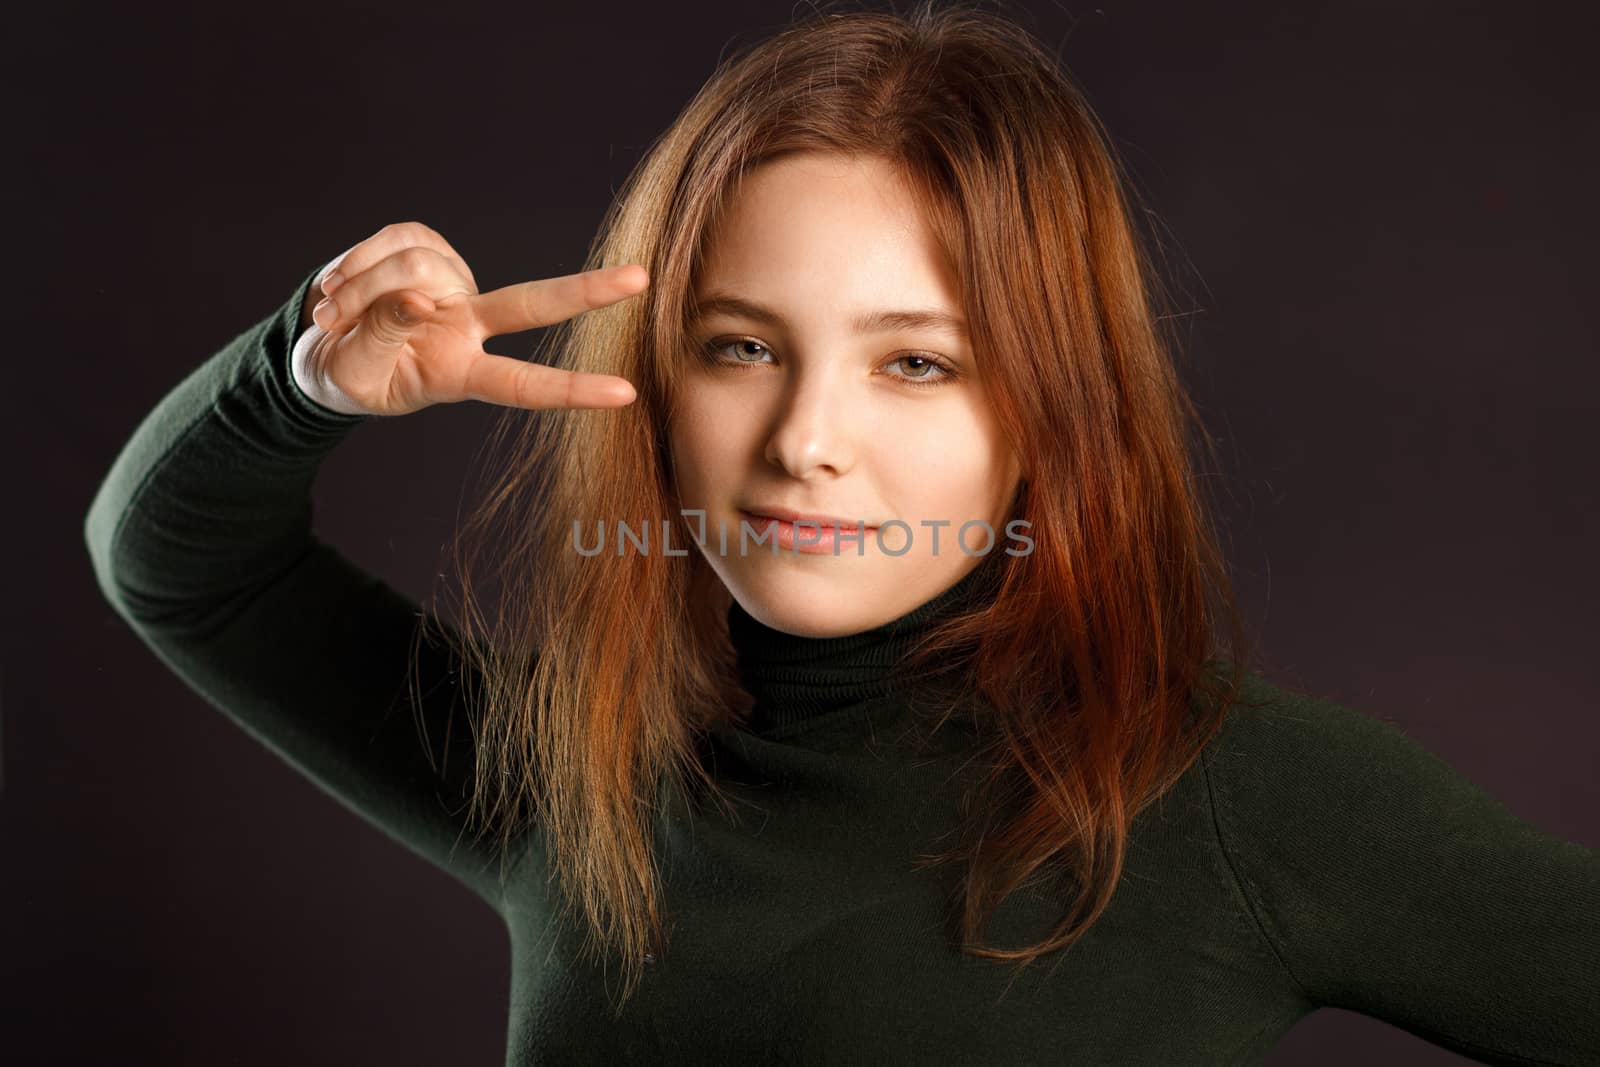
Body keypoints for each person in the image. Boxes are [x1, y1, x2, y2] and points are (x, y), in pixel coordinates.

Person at [83, 2, 1599, 1063]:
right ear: (656, 378)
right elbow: (181, 564)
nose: (807, 437)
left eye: (916, 362)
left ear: (1050, 414)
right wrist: (302, 377)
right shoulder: (580, 769)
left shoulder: (1234, 805)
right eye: (739, 346)